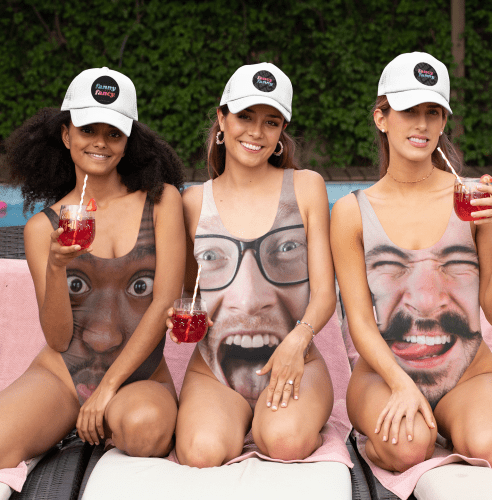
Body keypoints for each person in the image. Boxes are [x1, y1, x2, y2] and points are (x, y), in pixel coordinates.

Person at [0, 67, 185, 471]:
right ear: (66, 135)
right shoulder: (43, 227)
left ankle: (101, 420)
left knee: (145, 430)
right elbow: (59, 337)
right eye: (88, 130)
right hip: (62, 375)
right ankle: (64, 421)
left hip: (139, 378)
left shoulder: (161, 201)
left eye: (113, 133)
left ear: (128, 139)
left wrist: (107, 389)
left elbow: (164, 301)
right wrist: (56, 269)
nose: (100, 143)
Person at [167, 62, 336, 467]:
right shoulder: (192, 203)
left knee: (285, 442)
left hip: (296, 361)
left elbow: (327, 294)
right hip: (215, 370)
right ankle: (236, 417)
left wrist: (298, 341)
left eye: (271, 121)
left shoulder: (306, 186)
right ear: (221, 121)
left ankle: (272, 420)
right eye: (245, 116)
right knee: (200, 453)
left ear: (281, 134)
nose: (257, 132)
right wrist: (176, 317)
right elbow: (184, 295)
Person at [331, 52, 492, 473]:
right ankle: (388, 440)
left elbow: (489, 298)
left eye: (433, 112)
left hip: (468, 374)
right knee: (408, 448)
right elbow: (360, 323)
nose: (421, 124)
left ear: (443, 123)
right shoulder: (352, 211)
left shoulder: (475, 199)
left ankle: (453, 422)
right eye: (408, 111)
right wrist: (402, 385)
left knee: (489, 444)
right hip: (385, 375)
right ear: (381, 117)